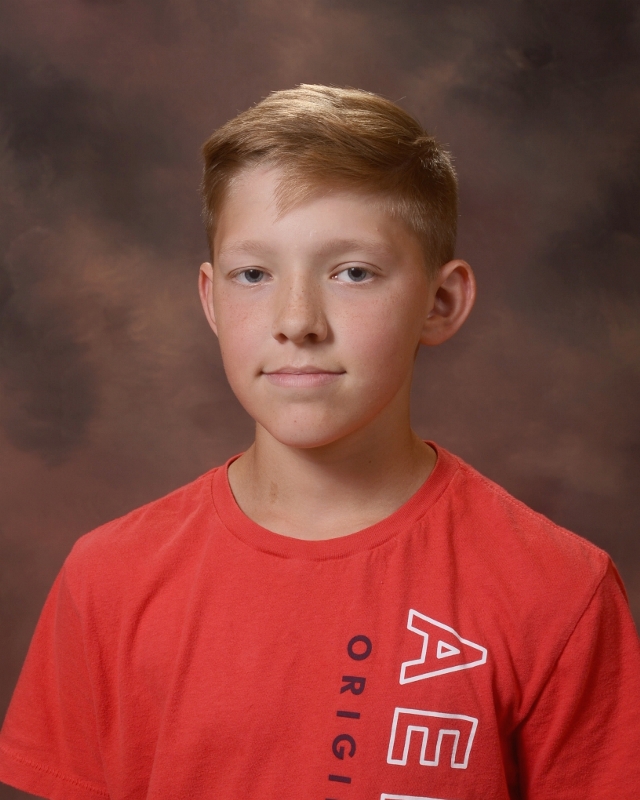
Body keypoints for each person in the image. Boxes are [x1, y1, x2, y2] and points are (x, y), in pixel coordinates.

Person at [0, 85, 638, 800]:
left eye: (353, 272)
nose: (297, 320)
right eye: (254, 274)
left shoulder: (558, 591)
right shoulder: (108, 578)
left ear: (441, 302)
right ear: (211, 300)